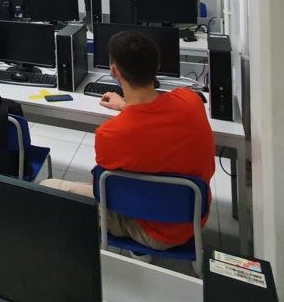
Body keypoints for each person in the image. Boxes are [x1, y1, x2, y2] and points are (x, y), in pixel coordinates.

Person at [41, 31, 214, 251]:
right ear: (157, 66)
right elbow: (155, 120)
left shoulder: (111, 134)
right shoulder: (190, 101)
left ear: (114, 71)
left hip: (149, 229)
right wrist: (126, 106)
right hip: (193, 220)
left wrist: (128, 111)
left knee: (48, 187)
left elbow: (102, 190)